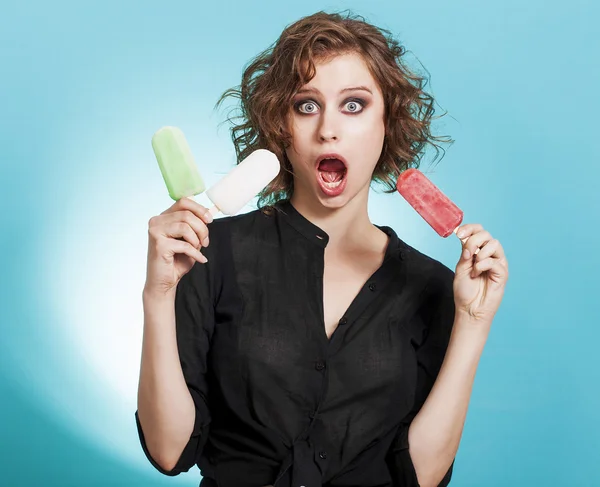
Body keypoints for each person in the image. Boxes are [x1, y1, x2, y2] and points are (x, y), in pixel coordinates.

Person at [135, 10, 508, 487]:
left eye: (353, 105)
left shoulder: (434, 286)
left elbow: (423, 475)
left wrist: (473, 324)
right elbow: (169, 451)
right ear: (281, 129)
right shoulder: (208, 253)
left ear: (387, 124)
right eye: (306, 106)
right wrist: (158, 295)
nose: (328, 129)